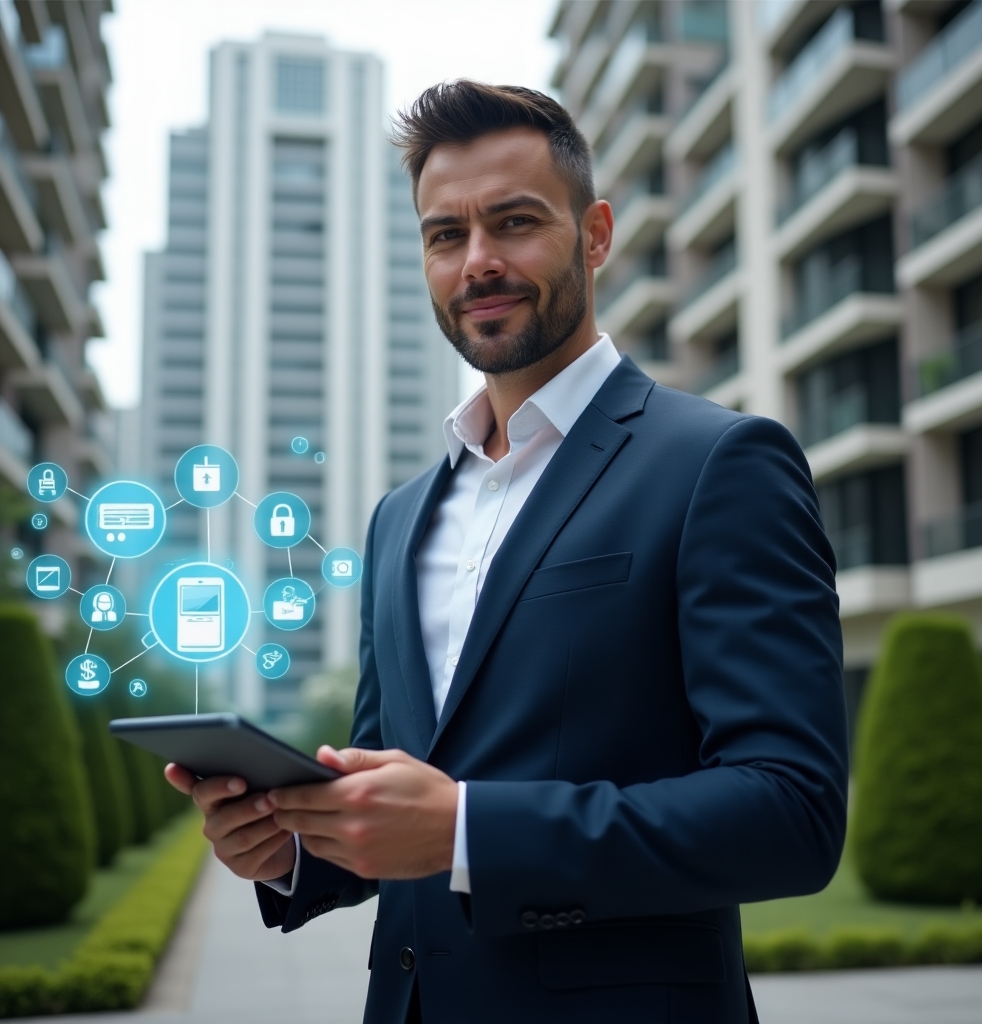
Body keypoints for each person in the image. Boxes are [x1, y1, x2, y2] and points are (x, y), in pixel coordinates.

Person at [166, 81, 848, 1024]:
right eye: (446, 235)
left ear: (595, 235)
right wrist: (291, 848)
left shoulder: (720, 463)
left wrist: (468, 831)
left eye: (515, 222)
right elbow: (394, 785)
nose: (478, 260)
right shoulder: (399, 517)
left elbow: (791, 812)